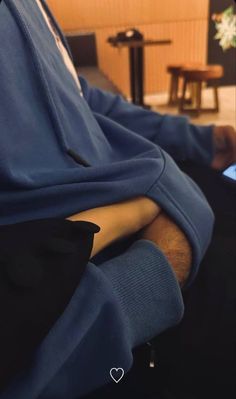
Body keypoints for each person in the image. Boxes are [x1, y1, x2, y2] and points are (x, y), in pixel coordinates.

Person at [0, 1, 235, 398]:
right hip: (95, 304)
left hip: (146, 208)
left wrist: (198, 141)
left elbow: (79, 98)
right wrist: (151, 275)